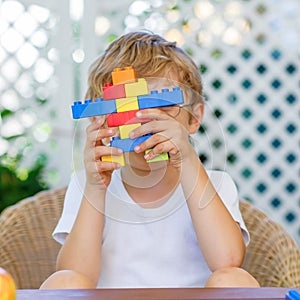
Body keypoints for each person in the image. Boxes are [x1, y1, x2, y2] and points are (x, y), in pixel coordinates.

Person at [40, 31, 259, 289]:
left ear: (194, 118)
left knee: (234, 279)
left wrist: (188, 159)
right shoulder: (86, 185)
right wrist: (95, 190)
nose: (146, 121)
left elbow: (228, 259)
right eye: (127, 108)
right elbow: (75, 276)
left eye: (165, 105)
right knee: (63, 282)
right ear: (99, 120)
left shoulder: (216, 183)